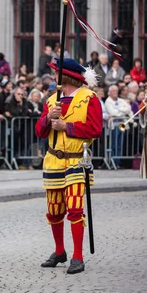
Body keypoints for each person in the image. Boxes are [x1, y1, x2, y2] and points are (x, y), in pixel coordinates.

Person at [34, 58, 102, 275]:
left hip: (76, 159)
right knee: (54, 211)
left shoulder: (89, 98)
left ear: (66, 76)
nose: (53, 77)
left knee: (74, 208)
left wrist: (67, 126)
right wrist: (48, 119)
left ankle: (78, 257)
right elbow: (39, 131)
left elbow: (95, 128)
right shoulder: (51, 100)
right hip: (53, 159)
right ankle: (60, 251)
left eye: (56, 73)